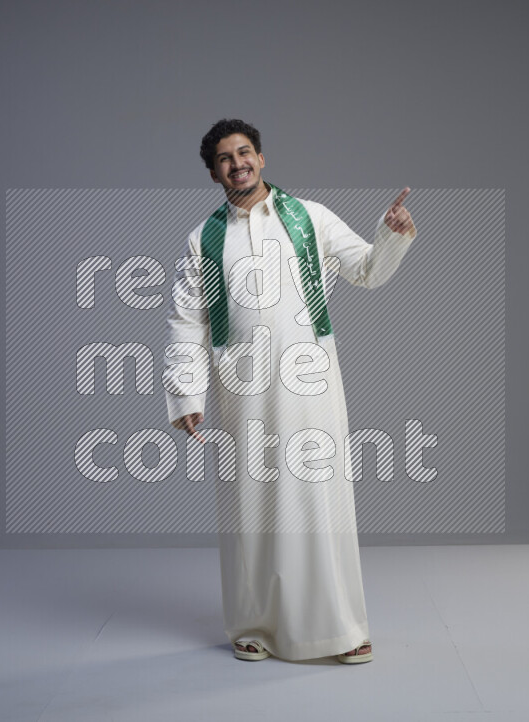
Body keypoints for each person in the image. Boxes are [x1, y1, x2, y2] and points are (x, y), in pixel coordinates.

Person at [163, 118, 416, 663]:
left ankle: (342, 628)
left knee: (320, 498)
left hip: (311, 385)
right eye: (225, 158)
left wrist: (391, 233)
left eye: (244, 152)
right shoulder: (204, 239)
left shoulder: (310, 217)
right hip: (240, 390)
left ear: (261, 158)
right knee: (248, 504)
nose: (238, 163)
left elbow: (367, 271)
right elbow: (188, 321)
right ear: (214, 173)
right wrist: (186, 393)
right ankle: (253, 625)